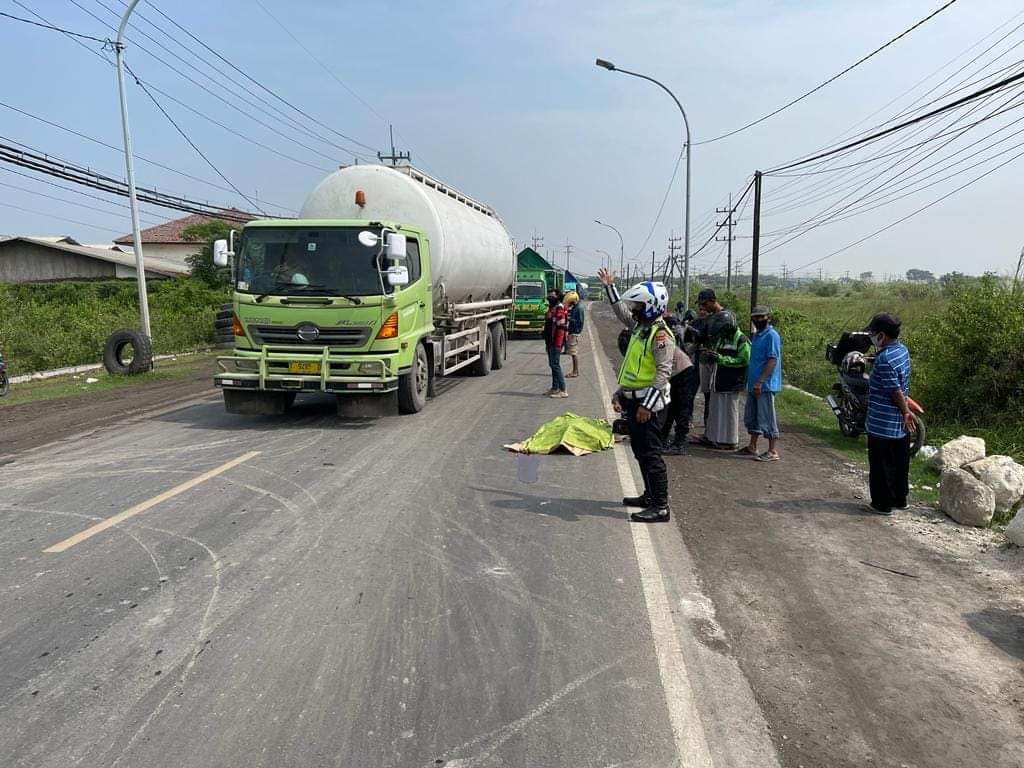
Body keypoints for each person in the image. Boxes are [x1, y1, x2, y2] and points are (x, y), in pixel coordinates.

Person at [597, 267, 674, 523]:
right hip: (634, 399)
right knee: (640, 452)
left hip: (649, 404)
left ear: (652, 306)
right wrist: (610, 288)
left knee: (652, 454)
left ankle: (661, 506)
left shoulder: (660, 335)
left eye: (640, 306)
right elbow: (622, 313)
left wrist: (647, 406)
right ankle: (649, 496)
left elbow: (663, 373)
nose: (636, 310)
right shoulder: (642, 327)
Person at [864, 312, 913, 515]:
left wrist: (906, 411)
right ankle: (900, 499)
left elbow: (894, 390)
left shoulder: (884, 360)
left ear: (882, 335)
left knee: (881, 464)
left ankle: (882, 504)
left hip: (882, 421)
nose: (872, 337)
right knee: (900, 463)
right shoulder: (901, 350)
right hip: (899, 424)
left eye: (874, 333)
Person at [739, 305, 782, 461]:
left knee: (767, 417)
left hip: (765, 384)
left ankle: (772, 451)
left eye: (761, 317)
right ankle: (752, 446)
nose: (758, 320)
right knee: (752, 416)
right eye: (755, 317)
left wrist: (760, 381)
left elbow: (772, 359)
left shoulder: (772, 335)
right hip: (754, 383)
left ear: (768, 318)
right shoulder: (757, 335)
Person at [704, 308, 750, 450]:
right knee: (717, 410)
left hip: (732, 382)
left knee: (730, 412)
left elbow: (744, 359)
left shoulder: (741, 339)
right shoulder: (723, 339)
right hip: (718, 380)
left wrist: (722, 359)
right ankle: (715, 438)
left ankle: (730, 441)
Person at [661, 306, 697, 455]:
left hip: (682, 371)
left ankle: (679, 444)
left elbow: (661, 368)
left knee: (681, 408)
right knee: (670, 407)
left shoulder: (660, 337)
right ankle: (663, 439)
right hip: (675, 371)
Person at [543, 289, 569, 398]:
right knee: (552, 364)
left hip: (556, 341)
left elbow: (561, 324)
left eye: (552, 296)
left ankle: (563, 390)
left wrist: (558, 343)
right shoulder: (551, 307)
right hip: (550, 341)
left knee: (555, 364)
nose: (549, 297)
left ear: (557, 297)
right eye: (549, 296)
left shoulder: (559, 308)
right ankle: (554, 388)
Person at [564, 290, 584, 378]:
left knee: (574, 353)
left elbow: (579, 322)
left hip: (575, 332)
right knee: (573, 352)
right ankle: (575, 371)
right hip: (573, 331)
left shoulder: (578, 308)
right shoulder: (576, 307)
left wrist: (569, 319)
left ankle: (575, 371)